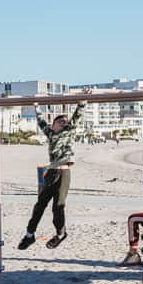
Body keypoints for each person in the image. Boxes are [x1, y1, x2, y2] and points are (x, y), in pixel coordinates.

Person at [17, 100, 87, 251]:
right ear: (54, 124)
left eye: (65, 122)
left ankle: (60, 234)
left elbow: (77, 117)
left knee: (58, 207)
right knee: (40, 205)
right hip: (51, 172)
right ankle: (30, 235)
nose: (64, 123)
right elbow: (41, 121)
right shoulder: (50, 133)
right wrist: (36, 107)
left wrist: (81, 103)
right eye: (60, 121)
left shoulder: (69, 132)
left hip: (64, 173)